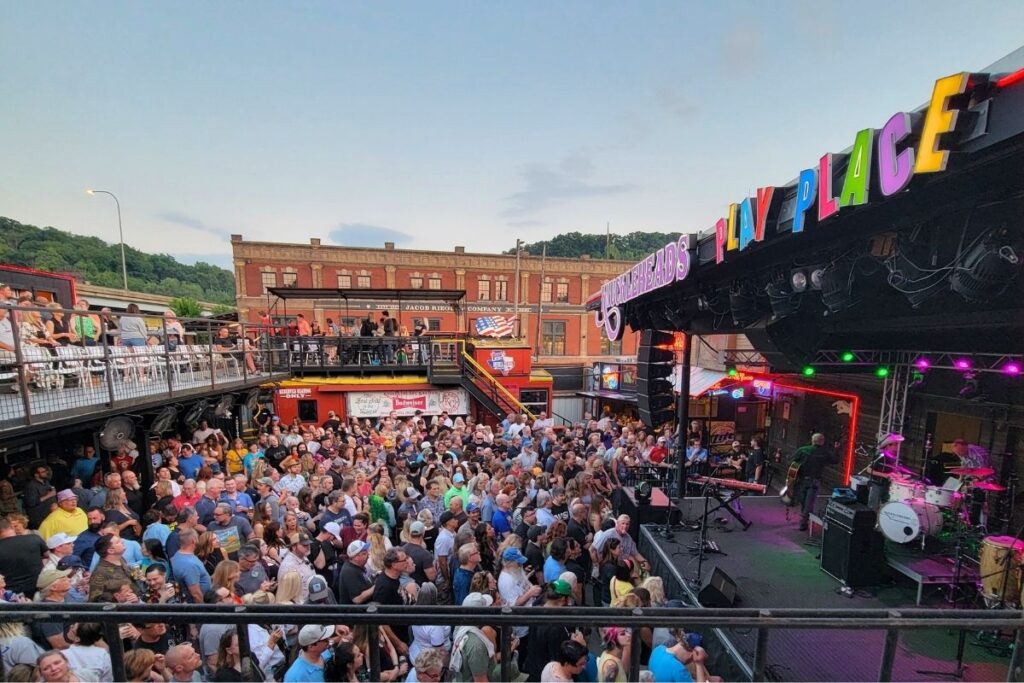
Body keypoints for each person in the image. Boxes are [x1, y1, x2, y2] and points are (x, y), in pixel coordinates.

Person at [789, 433, 839, 531]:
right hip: (815, 481)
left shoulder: (802, 450)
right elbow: (835, 460)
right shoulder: (825, 452)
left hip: (802, 480)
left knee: (803, 501)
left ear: (812, 440)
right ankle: (803, 523)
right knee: (809, 503)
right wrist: (836, 449)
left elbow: (792, 460)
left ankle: (803, 518)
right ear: (822, 441)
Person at [0, 516, 48, 596]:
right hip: (38, 590)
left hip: (11, 596)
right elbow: (49, 556)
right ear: (12, 527)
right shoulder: (34, 538)